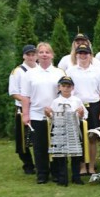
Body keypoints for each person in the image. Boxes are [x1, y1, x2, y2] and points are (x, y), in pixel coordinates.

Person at [20, 42, 67, 184]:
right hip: (36, 114)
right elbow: (25, 97)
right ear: (36, 56)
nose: (44, 55)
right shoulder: (30, 74)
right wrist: (25, 114)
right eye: (41, 52)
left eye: (47, 52)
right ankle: (42, 174)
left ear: (52, 55)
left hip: (56, 115)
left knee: (57, 145)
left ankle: (57, 173)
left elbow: (65, 93)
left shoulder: (59, 73)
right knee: (39, 146)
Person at [66, 44, 100, 174]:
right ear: (76, 55)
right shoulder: (70, 71)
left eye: (86, 53)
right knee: (79, 138)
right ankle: (82, 166)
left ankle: (91, 166)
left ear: (90, 55)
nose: (83, 56)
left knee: (92, 137)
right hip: (77, 106)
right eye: (80, 53)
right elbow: (68, 91)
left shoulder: (97, 71)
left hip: (94, 106)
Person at [45, 76, 86, 186]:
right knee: (61, 155)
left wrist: (81, 112)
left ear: (72, 88)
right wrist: (47, 113)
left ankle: (76, 177)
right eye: (63, 86)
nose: (66, 88)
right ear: (59, 87)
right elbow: (51, 117)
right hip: (60, 130)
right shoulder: (55, 101)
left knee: (76, 155)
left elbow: (83, 116)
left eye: (68, 86)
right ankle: (62, 178)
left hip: (73, 129)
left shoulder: (77, 100)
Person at [9, 45, 37, 174]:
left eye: (33, 54)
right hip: (22, 108)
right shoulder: (18, 71)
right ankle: (28, 164)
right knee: (23, 139)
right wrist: (27, 100)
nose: (31, 57)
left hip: (38, 109)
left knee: (39, 137)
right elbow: (14, 93)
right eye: (28, 55)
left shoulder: (40, 70)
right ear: (23, 56)